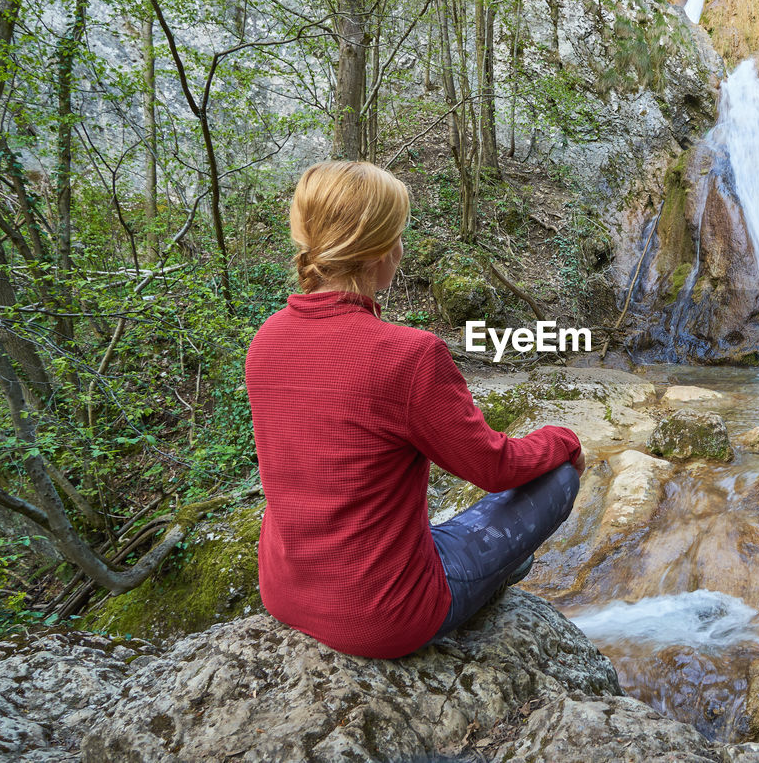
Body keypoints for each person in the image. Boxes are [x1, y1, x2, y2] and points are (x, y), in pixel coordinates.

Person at [245, 160, 584, 659]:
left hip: (284, 591)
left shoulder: (266, 342)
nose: (402, 249)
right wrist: (562, 440)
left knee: (441, 530)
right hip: (385, 617)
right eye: (399, 236)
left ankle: (495, 570)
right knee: (558, 478)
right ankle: (494, 575)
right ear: (381, 252)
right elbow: (494, 468)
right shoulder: (408, 356)